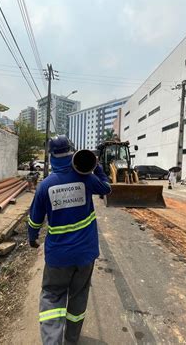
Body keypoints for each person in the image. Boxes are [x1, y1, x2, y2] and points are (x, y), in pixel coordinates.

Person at [27, 135, 112, 345]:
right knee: (78, 297)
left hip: (58, 257)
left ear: (51, 156)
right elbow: (107, 188)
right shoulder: (86, 178)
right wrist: (97, 166)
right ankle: (71, 340)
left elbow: (34, 220)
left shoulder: (45, 186)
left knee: (52, 297)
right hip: (85, 255)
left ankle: (52, 342)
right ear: (71, 151)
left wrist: (32, 239)